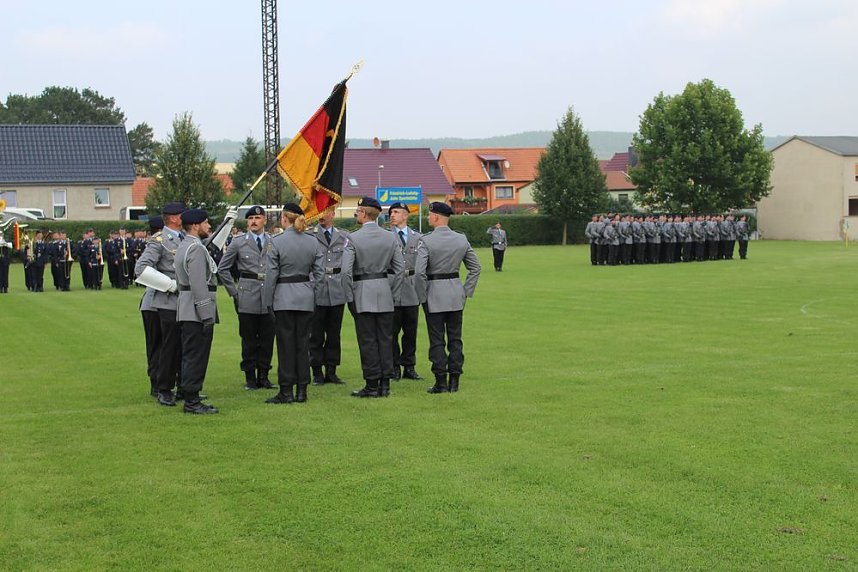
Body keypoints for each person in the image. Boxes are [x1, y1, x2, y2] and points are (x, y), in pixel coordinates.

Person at [414, 202, 481, 393]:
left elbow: (419, 273)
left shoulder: (426, 241)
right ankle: (454, 381)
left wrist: (422, 295)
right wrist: (466, 291)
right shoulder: (460, 239)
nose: (428, 217)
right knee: (455, 339)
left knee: (437, 340)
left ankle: (440, 382)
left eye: (429, 214)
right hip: (455, 294)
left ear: (436, 217)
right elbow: (475, 267)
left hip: (433, 293)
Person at [341, 196, 405, 398]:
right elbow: (400, 269)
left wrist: (349, 296)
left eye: (358, 211)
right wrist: (391, 291)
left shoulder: (353, 238)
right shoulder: (390, 237)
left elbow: (344, 273)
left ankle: (371, 384)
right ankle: (385, 384)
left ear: (363, 213)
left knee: (368, 340)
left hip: (362, 293)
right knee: (385, 339)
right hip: (384, 291)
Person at [263, 203, 324, 404]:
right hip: (305, 296)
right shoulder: (312, 241)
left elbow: (271, 274)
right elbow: (320, 274)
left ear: (284, 218)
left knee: (285, 345)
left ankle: (286, 390)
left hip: (283, 297)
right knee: (302, 344)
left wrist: (268, 299)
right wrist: (311, 291)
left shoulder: (277, 241)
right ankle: (302, 390)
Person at [218, 205, 276, 391]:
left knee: (267, 338)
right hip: (247, 295)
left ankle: (264, 376)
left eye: (257, 218)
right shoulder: (238, 242)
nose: (253, 221)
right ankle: (250, 377)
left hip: (268, 295)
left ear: (264, 220)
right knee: (249, 338)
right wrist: (234, 292)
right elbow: (223, 268)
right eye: (250, 218)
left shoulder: (273, 241)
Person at [135, 202, 186, 407]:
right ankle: (162, 387)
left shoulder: (185, 238)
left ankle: (183, 386)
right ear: (174, 218)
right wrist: (170, 285)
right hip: (165, 300)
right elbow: (141, 268)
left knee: (184, 346)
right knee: (166, 347)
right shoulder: (160, 240)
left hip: (185, 301)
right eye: (184, 214)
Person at [174, 208, 219, 414]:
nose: (208, 226)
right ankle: (192, 401)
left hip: (186, 306)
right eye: (206, 222)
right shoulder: (196, 249)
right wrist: (206, 313)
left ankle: (189, 394)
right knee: (196, 356)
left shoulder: (185, 245)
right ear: (195, 225)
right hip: (196, 309)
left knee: (190, 354)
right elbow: (199, 284)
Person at [309, 209, 350, 386]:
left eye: (326, 211)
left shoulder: (344, 236)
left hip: (336, 290)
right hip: (316, 289)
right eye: (320, 211)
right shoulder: (310, 235)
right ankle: (317, 371)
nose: (322, 215)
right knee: (316, 334)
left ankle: (332, 370)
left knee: (334, 334)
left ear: (333, 213)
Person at [388, 202, 423, 381]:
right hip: (392, 288)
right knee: (391, 332)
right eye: (391, 212)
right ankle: (394, 367)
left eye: (396, 212)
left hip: (411, 288)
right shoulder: (386, 237)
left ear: (405, 215)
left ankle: (409, 366)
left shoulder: (418, 237)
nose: (392, 215)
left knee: (410, 331)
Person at [140, 216, 164, 397]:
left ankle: (163, 381)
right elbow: (142, 269)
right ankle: (156, 383)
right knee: (156, 346)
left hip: (162, 304)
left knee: (164, 346)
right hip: (153, 303)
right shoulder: (157, 243)